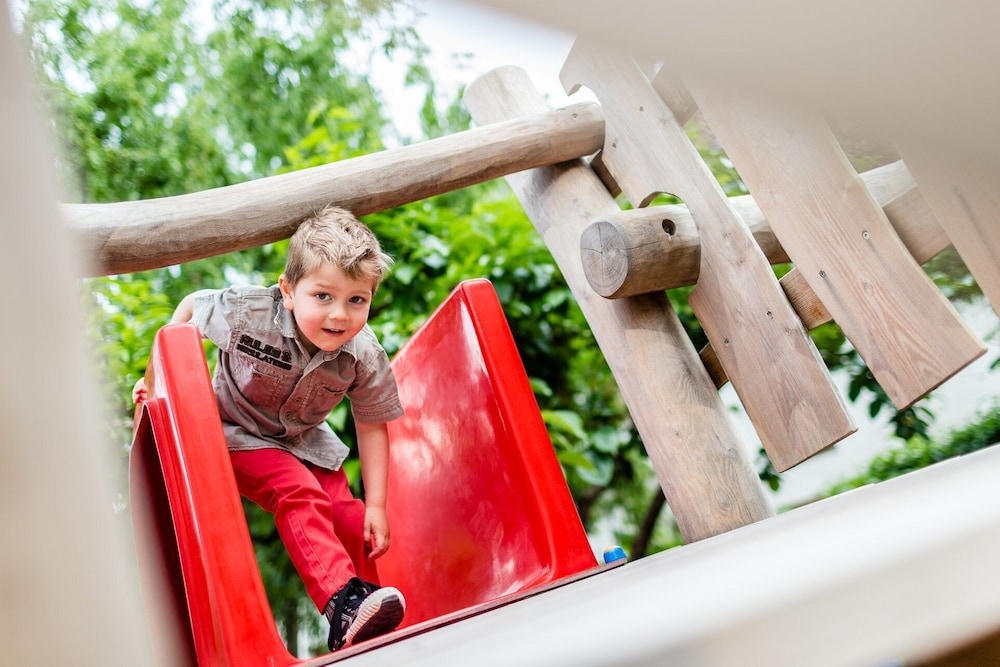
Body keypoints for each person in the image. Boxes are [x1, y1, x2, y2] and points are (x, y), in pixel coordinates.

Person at [133, 206, 406, 652]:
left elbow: (372, 422)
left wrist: (377, 504)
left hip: (303, 440)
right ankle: (341, 601)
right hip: (234, 433)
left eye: (357, 300)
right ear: (289, 291)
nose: (339, 315)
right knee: (298, 491)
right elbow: (189, 309)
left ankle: (364, 623)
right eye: (323, 296)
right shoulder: (249, 313)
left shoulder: (363, 353)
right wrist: (152, 383)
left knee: (352, 519)